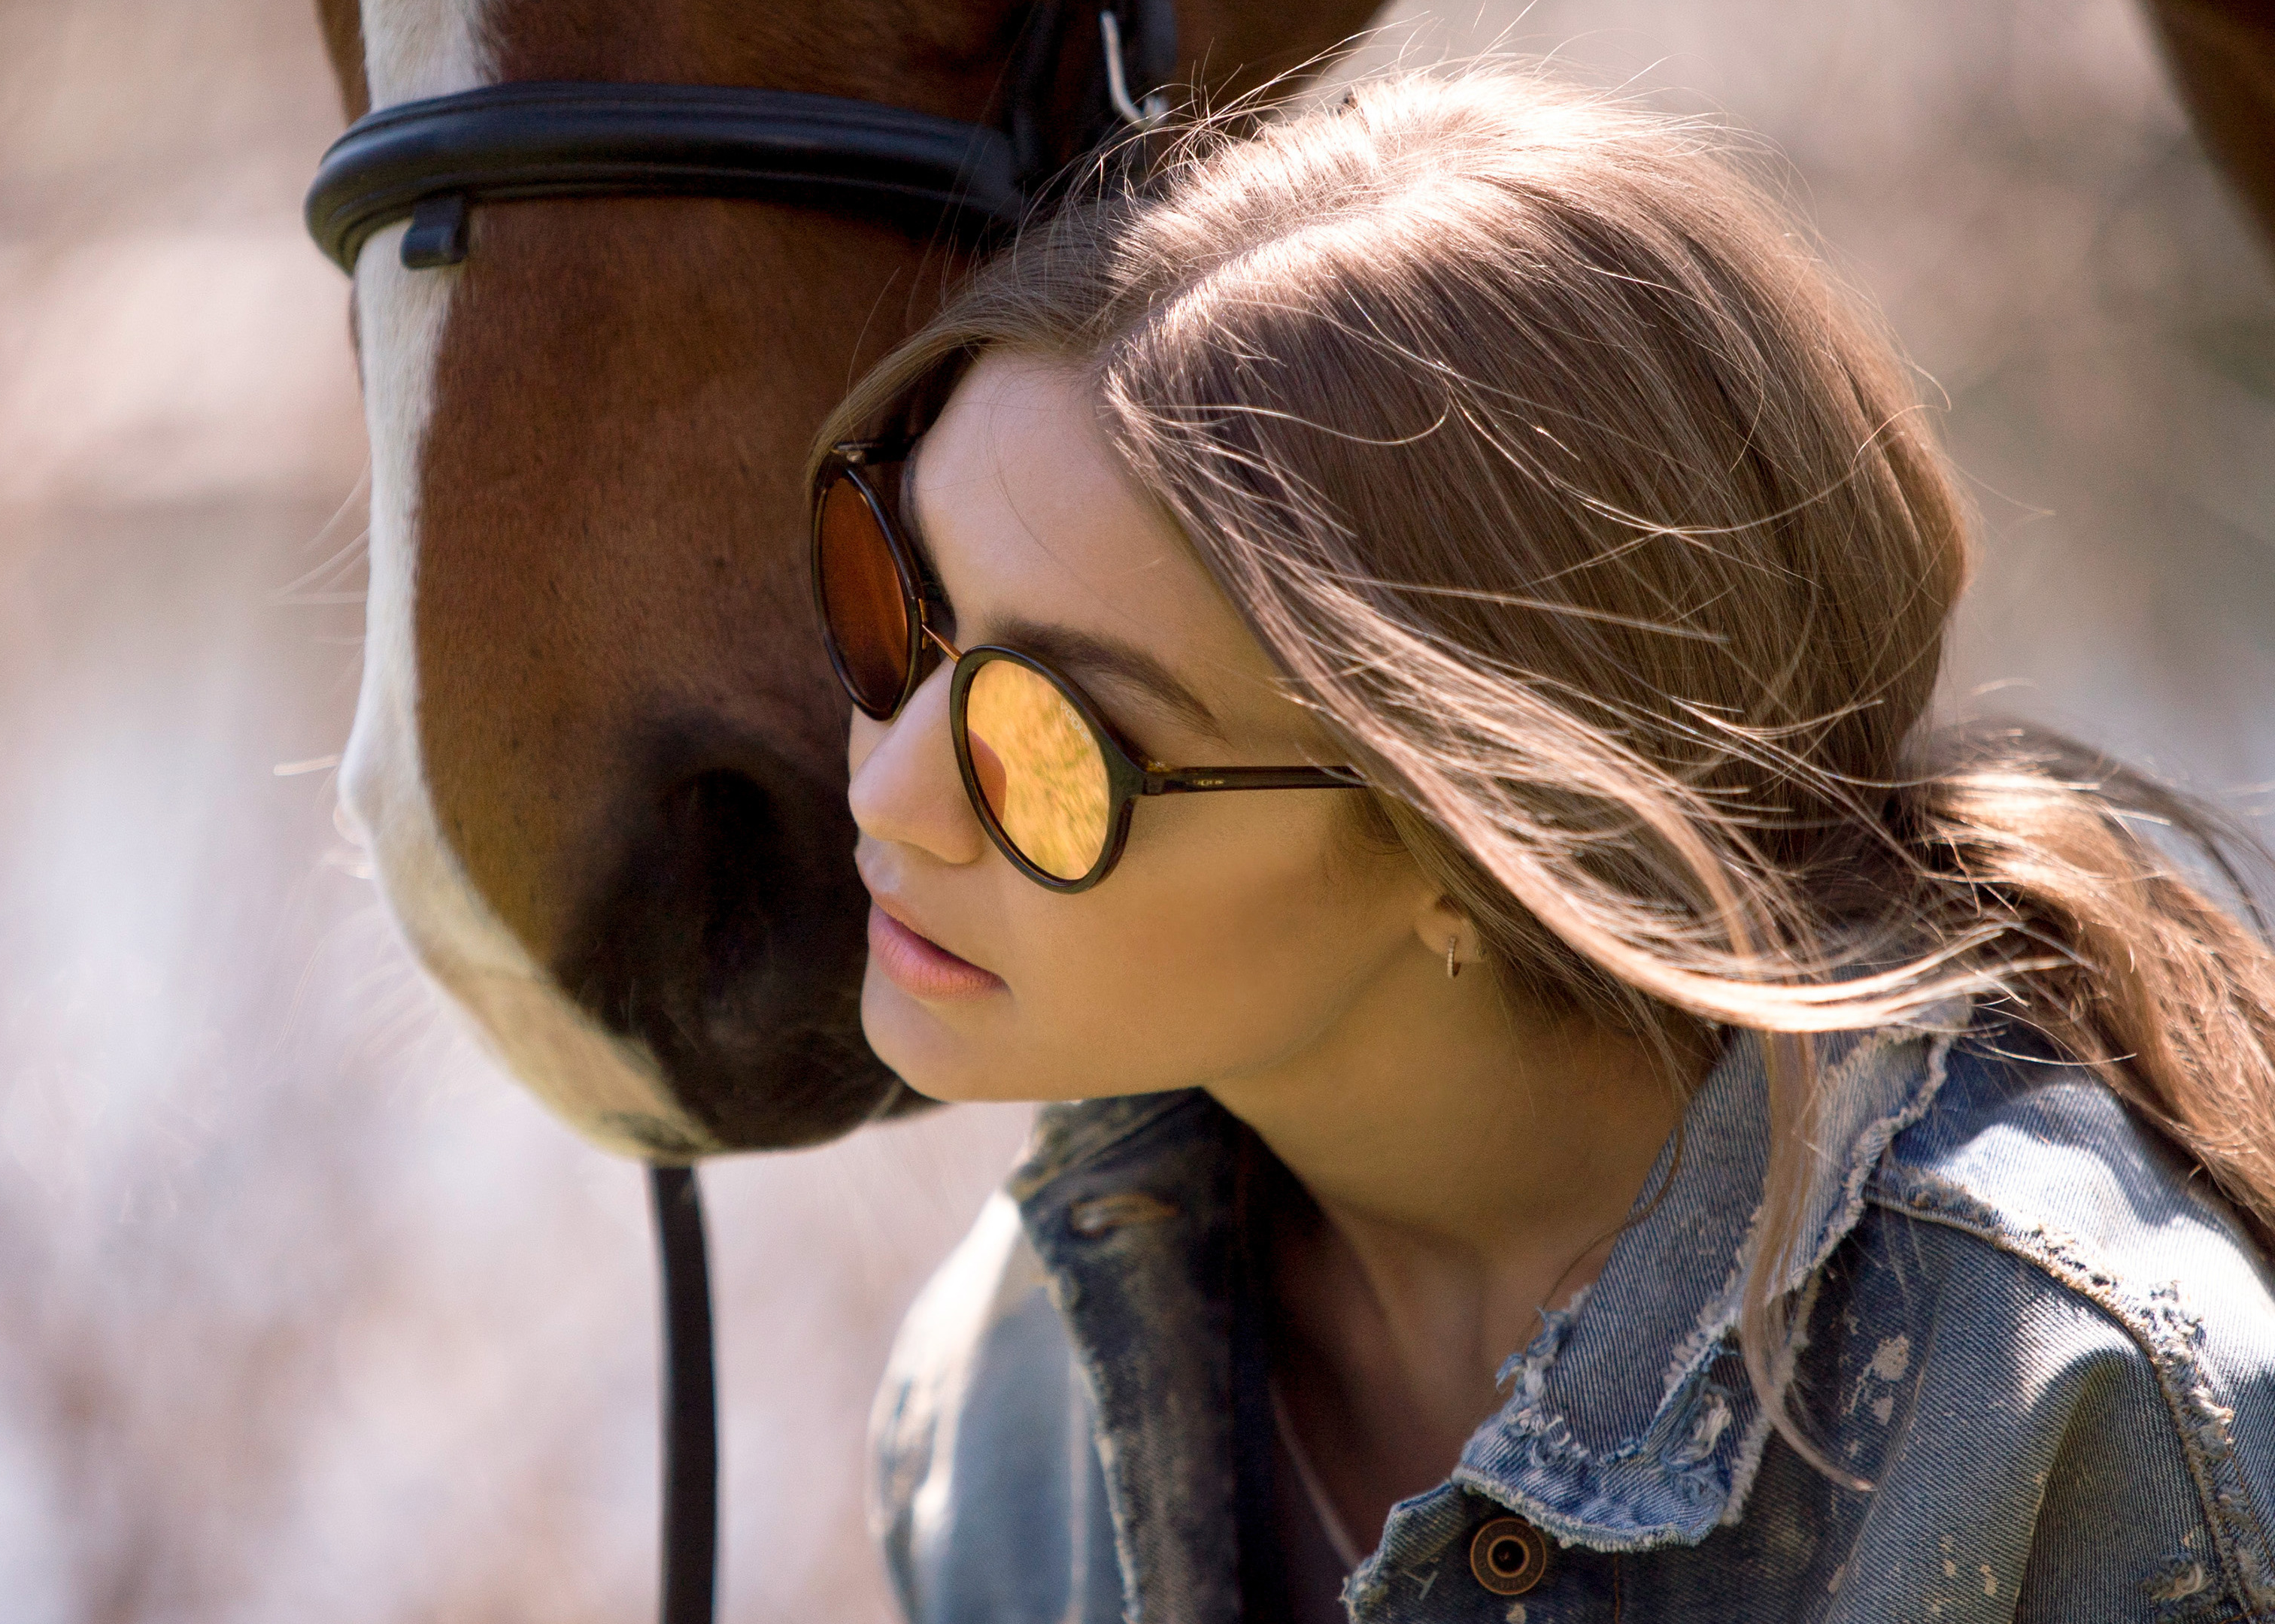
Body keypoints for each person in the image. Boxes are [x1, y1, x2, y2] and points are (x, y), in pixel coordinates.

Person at [804, 63, 2275, 1624]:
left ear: (1473, 841)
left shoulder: (2091, 1433)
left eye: (1051, 744)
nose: (885, 790)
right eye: (894, 604)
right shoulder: (1006, 1401)